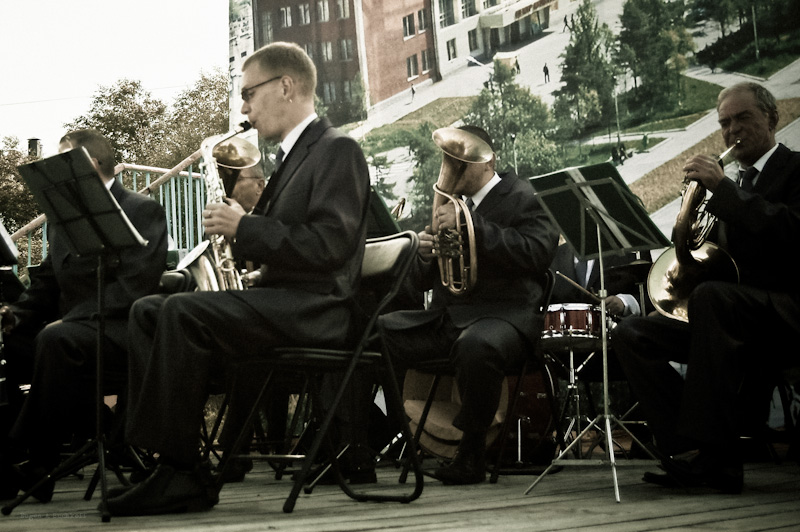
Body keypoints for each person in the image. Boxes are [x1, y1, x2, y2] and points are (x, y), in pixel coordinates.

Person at [105, 41, 371, 516]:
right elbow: (291, 242)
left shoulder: (338, 149)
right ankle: (167, 460)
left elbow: (331, 245)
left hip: (319, 310)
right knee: (148, 311)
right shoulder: (294, 156)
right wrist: (247, 243)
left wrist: (244, 228)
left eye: (248, 93)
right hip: (286, 301)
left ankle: (181, 473)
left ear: (285, 87)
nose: (244, 108)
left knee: (181, 311)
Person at [611, 82, 800, 494]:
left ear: (772, 118)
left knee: (713, 299)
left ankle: (720, 459)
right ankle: (687, 450)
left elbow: (792, 230)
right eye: (725, 123)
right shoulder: (731, 186)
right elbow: (711, 257)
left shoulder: (795, 168)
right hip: (728, 314)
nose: (733, 130)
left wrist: (725, 191)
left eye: (743, 118)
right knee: (632, 333)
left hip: (785, 308)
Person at [378, 125, 559, 485]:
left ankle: (472, 454)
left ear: (488, 161)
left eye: (461, 160)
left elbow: (536, 253)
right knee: (376, 332)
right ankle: (371, 439)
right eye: (449, 159)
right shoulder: (450, 205)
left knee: (477, 345)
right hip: (449, 318)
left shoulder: (524, 195)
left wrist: (472, 227)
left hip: (505, 317)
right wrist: (425, 255)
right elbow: (422, 282)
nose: (453, 167)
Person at [0, 129, 168, 501]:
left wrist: (74, 318)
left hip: (124, 331)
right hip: (75, 331)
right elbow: (47, 281)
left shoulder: (142, 209)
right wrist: (15, 314)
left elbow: (136, 286)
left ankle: (35, 461)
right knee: (13, 339)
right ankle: (80, 433)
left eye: (63, 162)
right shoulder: (64, 219)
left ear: (90, 164)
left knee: (56, 338)